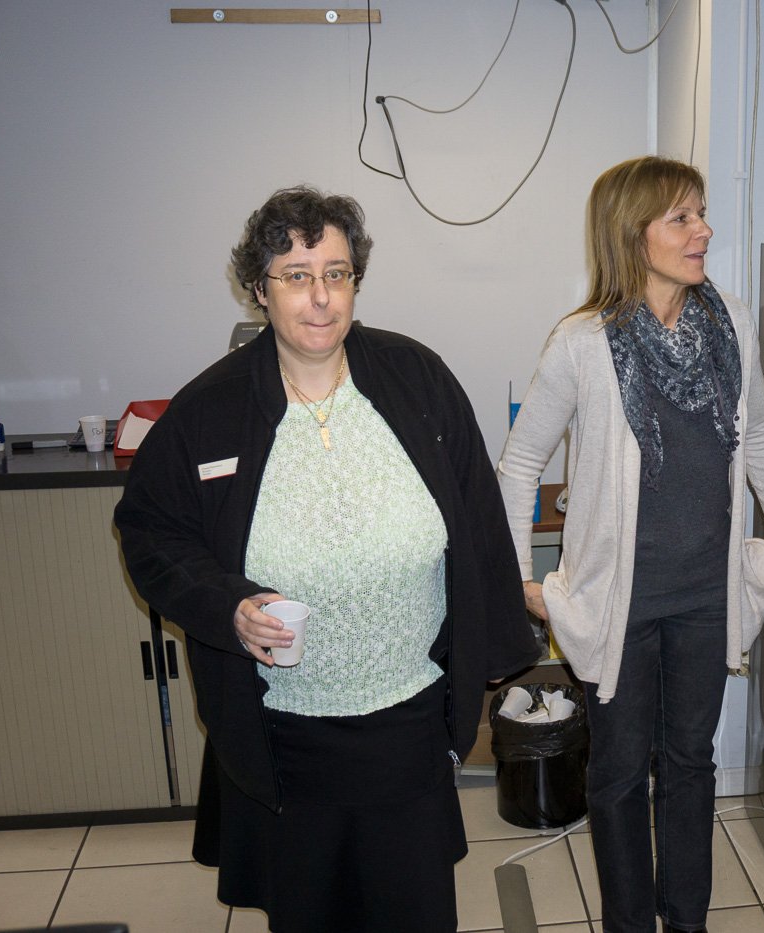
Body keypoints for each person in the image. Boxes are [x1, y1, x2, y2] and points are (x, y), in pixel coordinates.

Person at [114, 186, 539, 933]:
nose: (320, 297)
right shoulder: (210, 409)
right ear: (260, 289)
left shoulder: (416, 378)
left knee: (414, 912)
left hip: (410, 717)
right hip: (286, 729)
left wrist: (499, 647)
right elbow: (151, 532)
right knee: (310, 913)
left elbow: (476, 516)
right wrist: (225, 605)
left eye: (336, 274)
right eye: (296, 276)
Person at [496, 156, 764, 933]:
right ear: (632, 233)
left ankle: (686, 920)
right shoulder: (583, 341)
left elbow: (758, 433)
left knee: (691, 762)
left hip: (707, 595)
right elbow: (520, 462)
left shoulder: (732, 323)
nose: (704, 230)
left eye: (702, 212)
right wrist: (520, 576)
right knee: (620, 772)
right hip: (616, 604)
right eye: (681, 217)